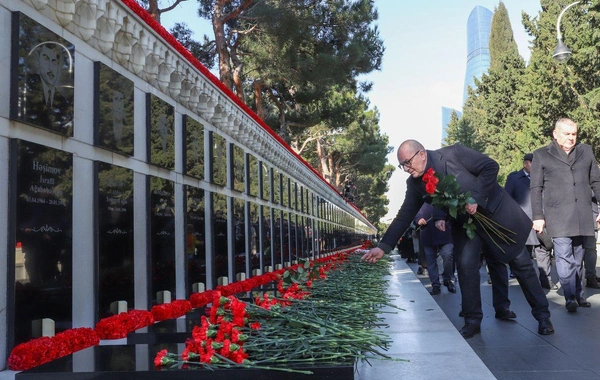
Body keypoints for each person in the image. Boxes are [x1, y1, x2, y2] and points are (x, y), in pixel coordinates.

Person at [362, 140, 554, 338]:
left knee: (521, 264)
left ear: (421, 154)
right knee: (465, 267)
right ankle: (472, 321)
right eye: (402, 165)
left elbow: (490, 166)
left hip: (494, 217)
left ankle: (543, 316)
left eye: (408, 162)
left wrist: (475, 199)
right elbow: (404, 215)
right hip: (465, 226)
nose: (406, 169)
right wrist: (383, 247)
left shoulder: (454, 153)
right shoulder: (415, 184)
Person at [531, 117, 600, 312]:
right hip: (558, 215)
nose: (571, 138)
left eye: (574, 134)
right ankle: (570, 296)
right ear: (555, 134)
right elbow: (536, 188)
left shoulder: (585, 151)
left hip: (582, 214)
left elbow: (596, 181)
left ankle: (578, 294)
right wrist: (538, 216)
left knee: (578, 257)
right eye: (567, 134)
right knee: (563, 256)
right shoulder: (541, 155)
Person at [505, 153, 556, 290]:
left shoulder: (543, 178)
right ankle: (527, 282)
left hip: (542, 220)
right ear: (525, 163)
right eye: (533, 163)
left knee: (543, 250)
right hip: (523, 222)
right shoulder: (514, 178)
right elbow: (507, 199)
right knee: (524, 254)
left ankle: (546, 280)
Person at [413, 203, 455, 295]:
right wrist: (418, 219)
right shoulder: (420, 194)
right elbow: (415, 209)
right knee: (431, 260)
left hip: (444, 231)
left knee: (448, 254)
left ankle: (447, 279)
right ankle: (435, 284)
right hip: (427, 232)